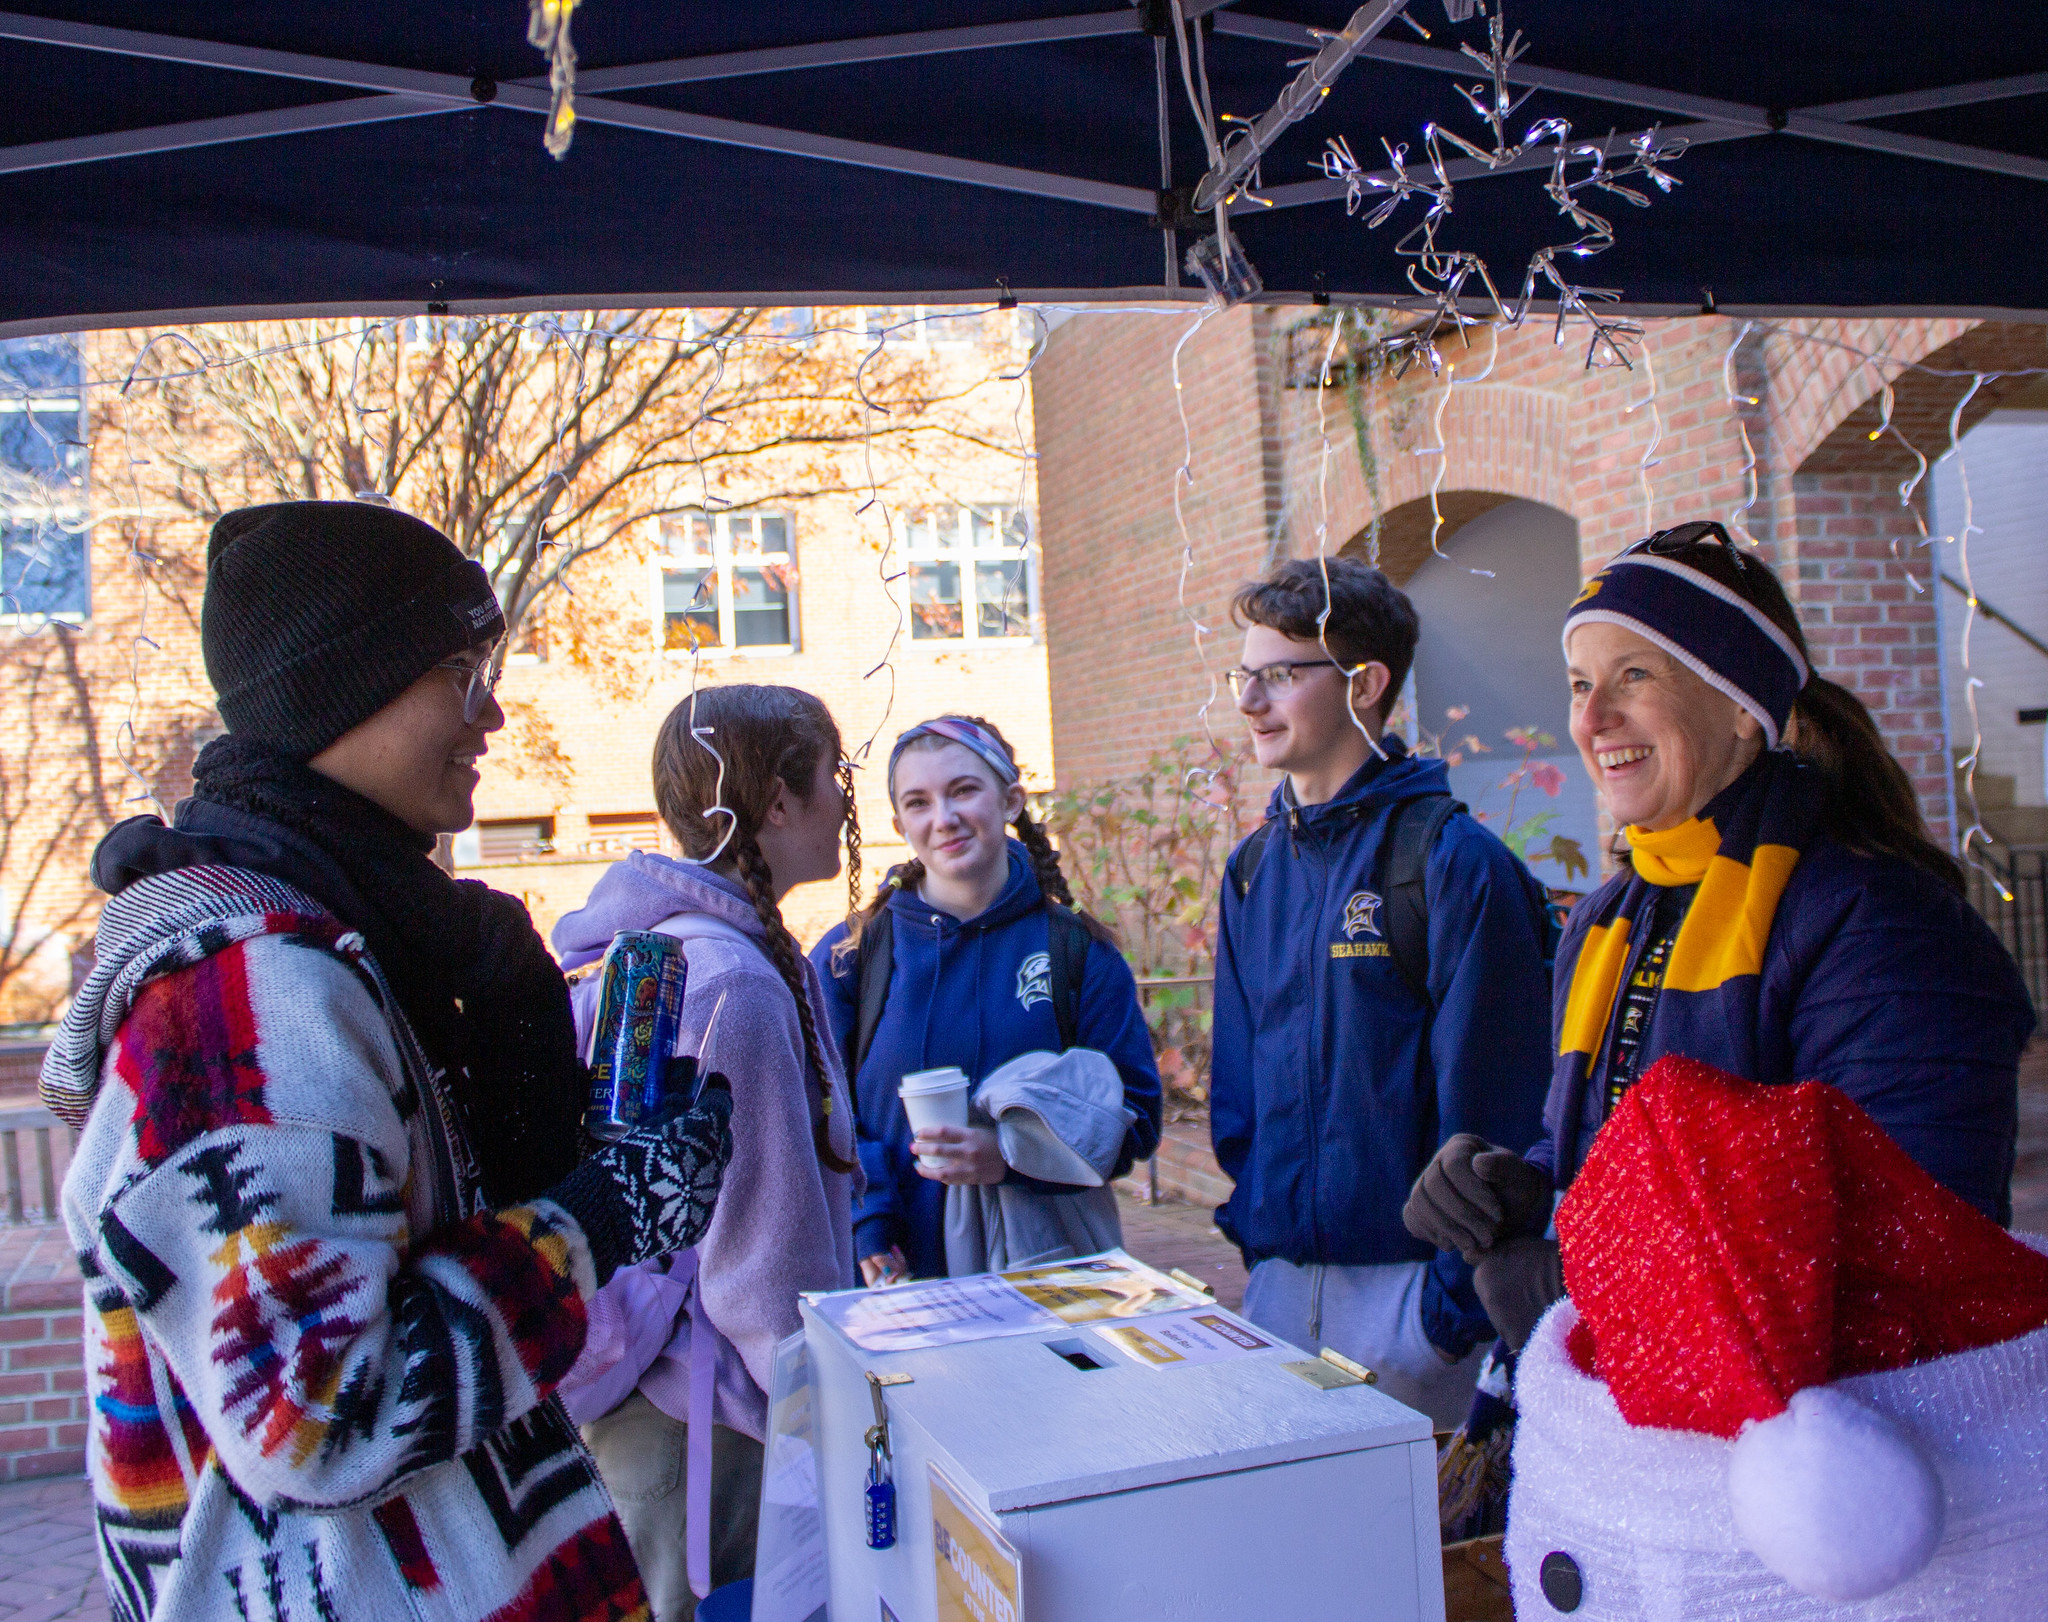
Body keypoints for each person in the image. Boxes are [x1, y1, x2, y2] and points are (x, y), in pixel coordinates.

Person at [45, 501, 734, 1622]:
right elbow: (323, 1413)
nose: (491, 712)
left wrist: (592, 1180)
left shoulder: (340, 942)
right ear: (340, 692)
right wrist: (598, 1216)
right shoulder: (241, 991)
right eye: (457, 671)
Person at [1404, 520, 2035, 1353]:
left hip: (1830, 1455)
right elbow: (1605, 1148)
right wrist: (1521, 1187)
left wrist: (1578, 1283)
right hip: (1630, 1431)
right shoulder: (1610, 919)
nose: (1593, 717)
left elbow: (1907, 1241)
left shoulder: (1884, 925)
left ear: (1743, 706)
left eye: (1635, 674)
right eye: (1578, 683)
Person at [1211, 556, 1555, 1428]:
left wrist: (1444, 1318)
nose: (1250, 702)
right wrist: (1262, 1252)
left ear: (1364, 685)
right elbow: (1239, 1090)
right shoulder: (1254, 870)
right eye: (1244, 676)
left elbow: (1501, 1114)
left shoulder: (1452, 863)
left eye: (1281, 676)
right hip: (1281, 1301)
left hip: (1416, 1318)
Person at [551, 684, 860, 1616]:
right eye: (833, 776)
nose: (847, 801)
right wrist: (829, 1416)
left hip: (657, 1404)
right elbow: (761, 1265)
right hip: (716, 1429)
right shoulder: (736, 982)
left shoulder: (667, 946)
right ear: (775, 803)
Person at [811, 715, 1162, 1283]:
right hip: (891, 1276)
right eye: (919, 803)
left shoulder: (1078, 952)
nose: (943, 819)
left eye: (963, 791)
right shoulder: (851, 954)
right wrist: (866, 1217)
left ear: (1011, 800)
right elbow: (817, 1107)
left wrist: (1011, 1155)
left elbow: (1137, 1117)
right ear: (900, 822)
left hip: (1044, 1279)